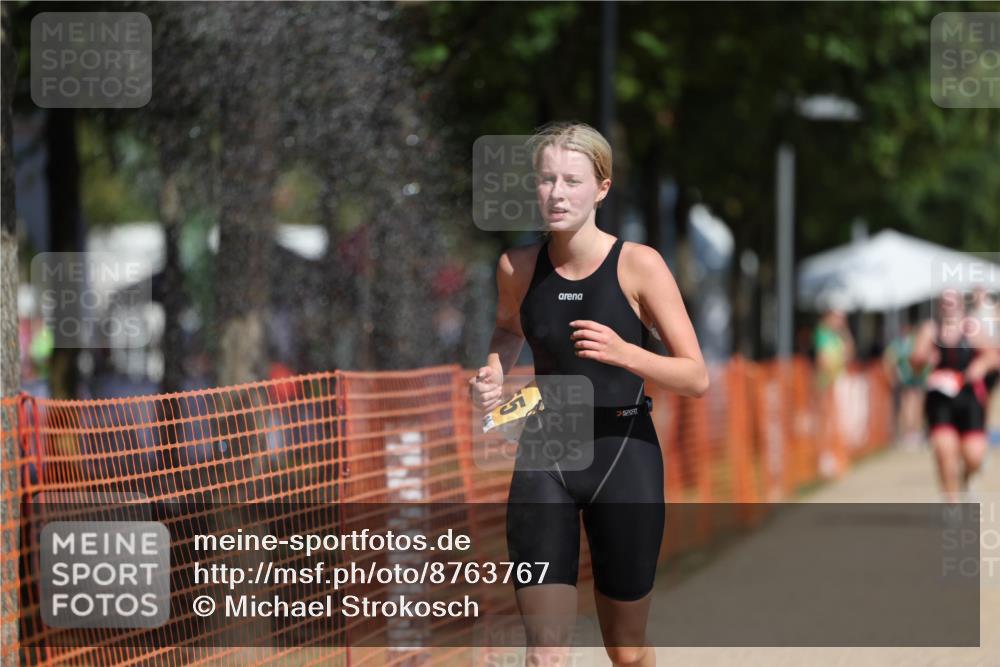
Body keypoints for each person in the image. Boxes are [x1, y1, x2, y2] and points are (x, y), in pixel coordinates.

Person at [469, 122, 708, 667]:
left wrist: (628, 354)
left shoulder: (639, 264)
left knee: (624, 649)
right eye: (547, 179)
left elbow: (696, 377)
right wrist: (492, 371)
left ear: (601, 187)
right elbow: (509, 329)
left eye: (572, 180)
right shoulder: (517, 267)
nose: (557, 193)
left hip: (624, 450)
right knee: (546, 653)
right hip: (545, 451)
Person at [911, 289, 1000, 503]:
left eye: (953, 301)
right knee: (945, 452)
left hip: (969, 399)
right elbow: (914, 364)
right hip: (940, 401)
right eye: (944, 301)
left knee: (974, 456)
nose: (949, 305)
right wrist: (924, 359)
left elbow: (993, 358)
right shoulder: (930, 330)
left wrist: (980, 365)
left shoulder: (972, 329)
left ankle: (966, 479)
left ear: (961, 303)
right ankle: (951, 504)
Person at [881, 322, 929, 449]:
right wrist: (893, 376)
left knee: (917, 404)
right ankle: (908, 432)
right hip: (906, 378)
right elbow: (889, 359)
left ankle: (915, 431)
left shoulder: (914, 340)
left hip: (918, 378)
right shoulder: (898, 343)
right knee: (907, 405)